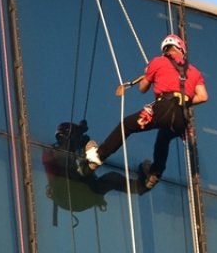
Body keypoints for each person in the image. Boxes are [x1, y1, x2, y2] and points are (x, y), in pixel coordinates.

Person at [83, 33, 208, 191]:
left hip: (163, 107)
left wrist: (149, 73)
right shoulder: (194, 71)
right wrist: (186, 100)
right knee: (164, 138)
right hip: (181, 117)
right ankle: (154, 175)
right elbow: (203, 96)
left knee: (127, 125)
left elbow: (143, 88)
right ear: (181, 50)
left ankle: (98, 156)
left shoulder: (158, 62)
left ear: (166, 50)